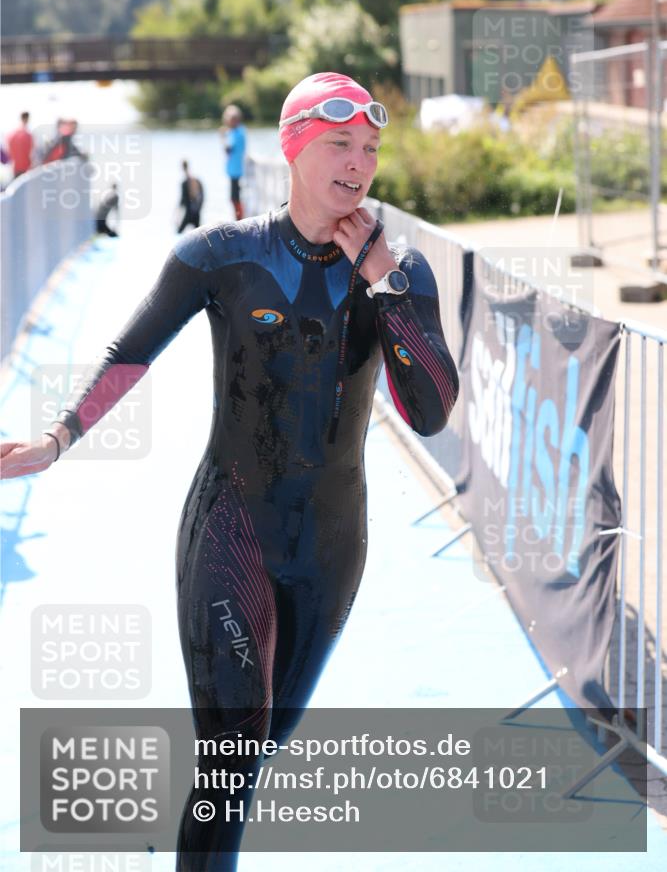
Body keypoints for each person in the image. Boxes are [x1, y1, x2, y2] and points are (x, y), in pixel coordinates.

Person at [0, 72, 459, 870]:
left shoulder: (398, 270)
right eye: (339, 143)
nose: (359, 163)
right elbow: (129, 351)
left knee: (253, 752)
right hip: (231, 529)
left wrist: (388, 285)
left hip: (329, 547)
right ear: (293, 147)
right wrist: (57, 438)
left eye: (371, 149)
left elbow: (429, 412)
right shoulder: (220, 255)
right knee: (231, 761)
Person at [220, 104, 246, 220]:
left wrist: (222, 137)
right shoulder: (239, 131)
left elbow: (228, 149)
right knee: (235, 197)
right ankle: (238, 218)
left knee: (235, 198)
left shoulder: (236, 133)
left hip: (236, 170)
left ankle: (239, 219)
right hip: (236, 169)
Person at [177, 160, 204, 233]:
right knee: (199, 234)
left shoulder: (185, 183)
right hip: (195, 212)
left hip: (190, 212)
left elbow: (183, 199)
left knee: (179, 232)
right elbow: (202, 196)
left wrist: (179, 208)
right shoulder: (195, 181)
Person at [6, 111, 34, 180]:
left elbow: (8, 152)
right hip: (26, 168)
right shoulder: (28, 135)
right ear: (27, 119)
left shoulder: (11, 135)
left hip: (15, 168)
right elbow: (31, 153)